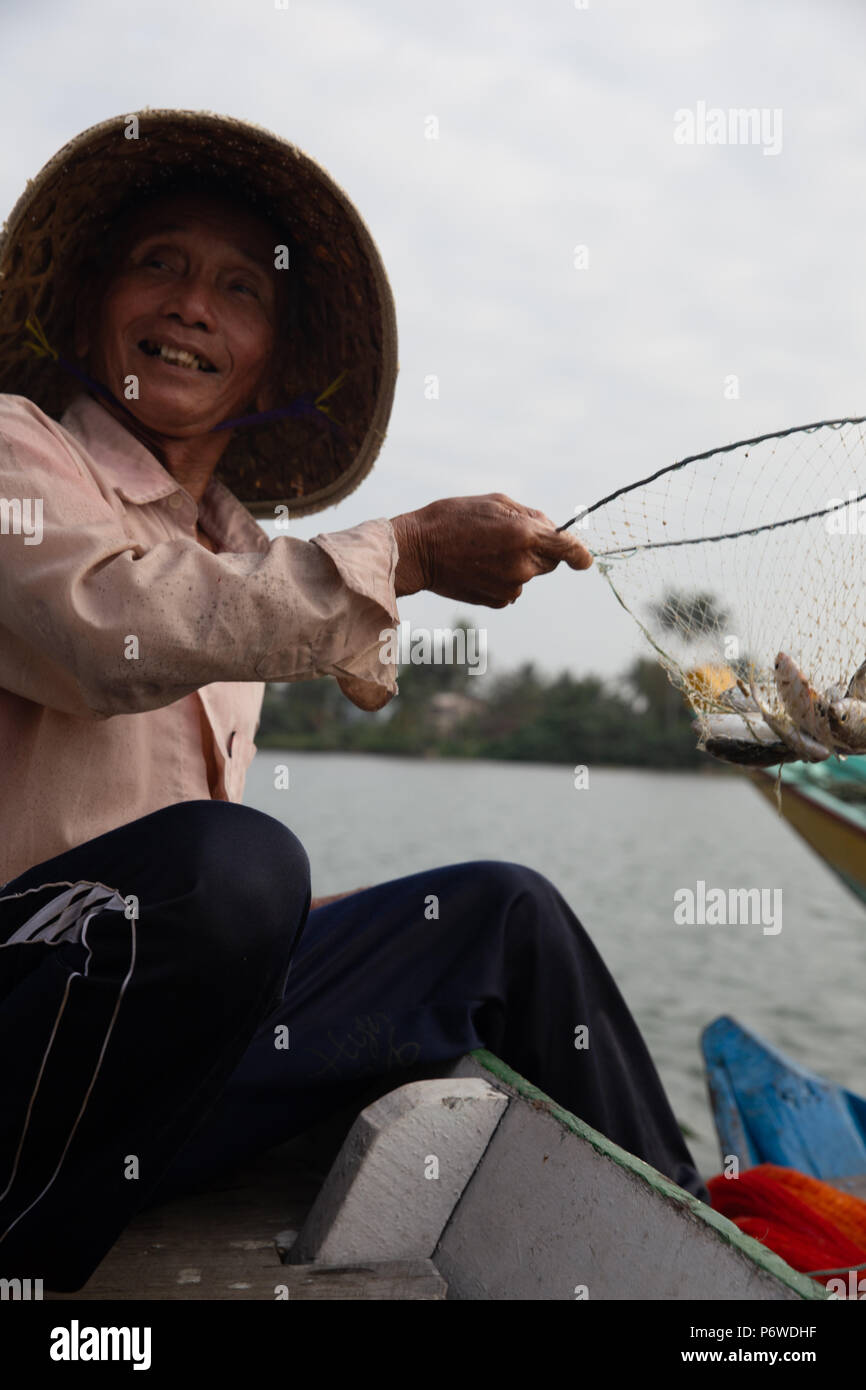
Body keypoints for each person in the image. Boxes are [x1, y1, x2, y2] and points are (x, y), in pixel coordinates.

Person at [0, 110, 708, 1293]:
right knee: (240, 862)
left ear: (271, 363)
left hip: (154, 1069)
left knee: (496, 912)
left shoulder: (237, 555)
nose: (190, 308)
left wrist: (326, 922)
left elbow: (198, 867)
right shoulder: (16, 454)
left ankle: (715, 1273)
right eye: (159, 265)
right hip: (24, 1031)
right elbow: (109, 628)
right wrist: (414, 551)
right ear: (87, 305)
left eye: (238, 290)